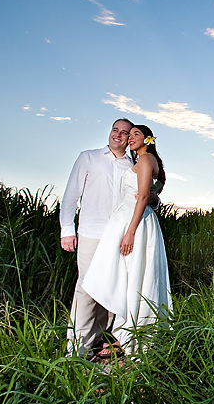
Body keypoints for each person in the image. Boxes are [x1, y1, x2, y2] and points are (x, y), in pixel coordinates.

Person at [61, 118, 160, 358]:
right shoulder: (89, 157)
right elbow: (71, 194)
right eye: (115, 130)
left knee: (117, 286)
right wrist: (67, 229)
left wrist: (153, 200)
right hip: (91, 232)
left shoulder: (133, 165)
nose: (118, 134)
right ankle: (76, 347)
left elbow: (147, 196)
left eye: (124, 132)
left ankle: (102, 340)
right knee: (87, 287)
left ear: (130, 139)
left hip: (120, 233)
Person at [82, 124, 173, 358]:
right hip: (130, 219)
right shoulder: (148, 161)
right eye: (129, 134)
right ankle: (119, 335)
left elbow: (143, 196)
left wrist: (130, 231)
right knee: (128, 275)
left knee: (131, 276)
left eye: (136, 134)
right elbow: (156, 188)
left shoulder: (144, 160)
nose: (130, 138)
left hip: (134, 222)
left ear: (147, 139)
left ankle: (127, 338)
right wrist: (156, 197)